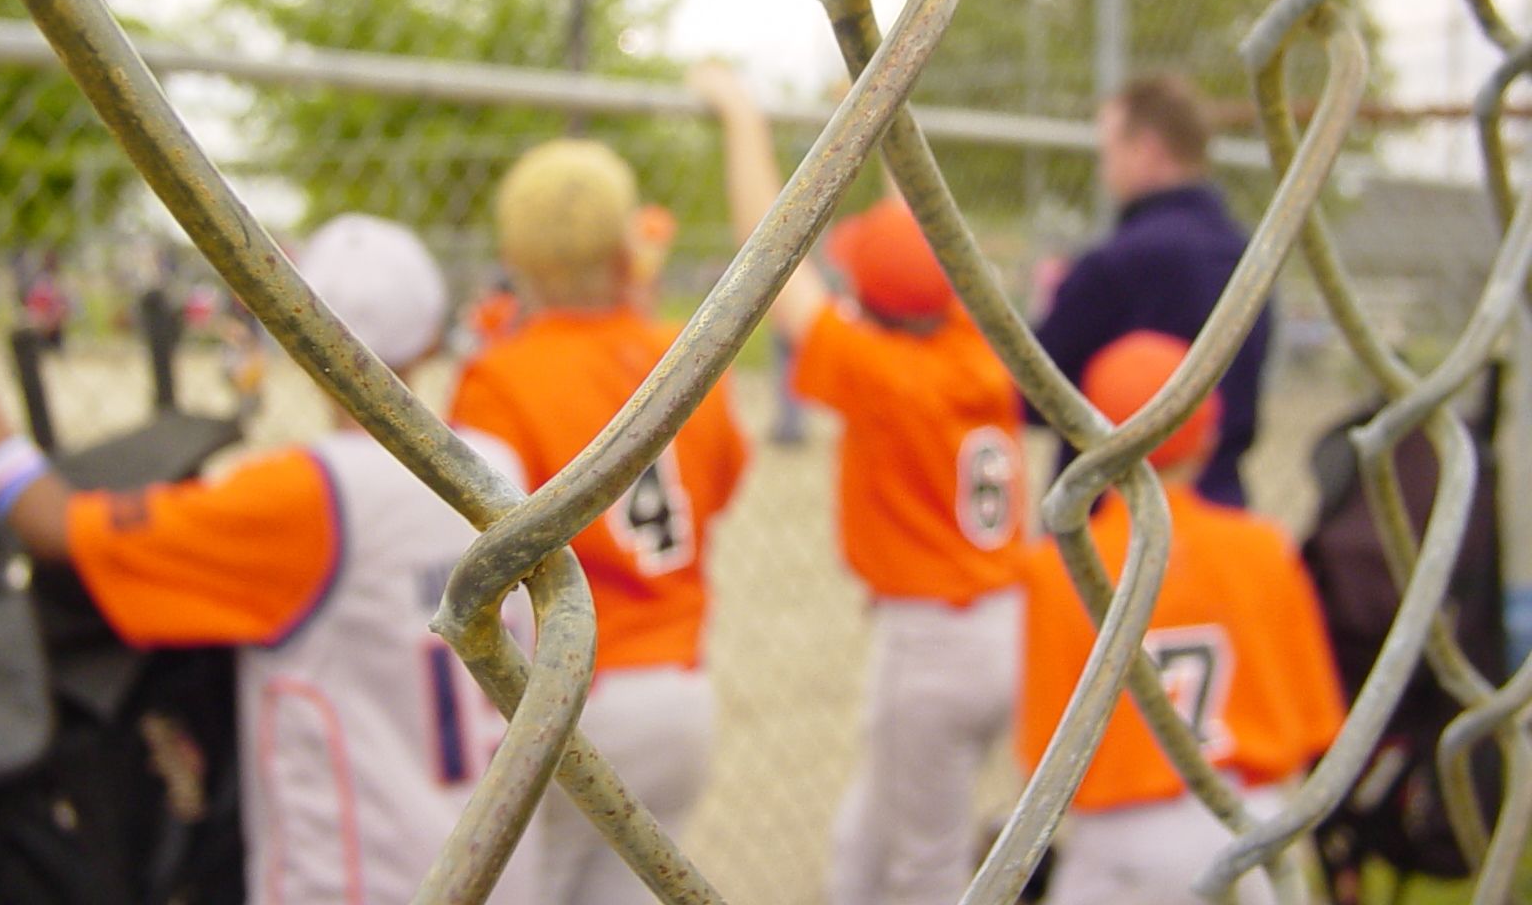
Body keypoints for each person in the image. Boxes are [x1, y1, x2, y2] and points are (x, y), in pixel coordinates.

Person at [0, 214, 536, 905]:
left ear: (297, 339)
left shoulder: (303, 495)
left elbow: (54, 527)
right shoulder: (495, 466)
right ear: (432, 334)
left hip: (350, 881)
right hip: (501, 867)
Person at [694, 61, 1030, 905]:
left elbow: (771, 252)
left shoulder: (882, 372)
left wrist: (742, 116)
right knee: (868, 833)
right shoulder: (981, 343)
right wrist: (888, 96)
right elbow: (920, 225)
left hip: (932, 644)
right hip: (1005, 620)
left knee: (925, 863)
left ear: (873, 304)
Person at [446, 138, 749, 905]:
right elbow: (722, 481)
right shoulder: (682, 355)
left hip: (567, 690)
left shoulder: (499, 378)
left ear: (515, 255)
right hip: (680, 691)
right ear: (627, 248)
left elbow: (478, 546)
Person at [1017, 331, 1343, 904]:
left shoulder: (1061, 566)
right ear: (1209, 434)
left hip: (1122, 838)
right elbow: (1316, 723)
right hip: (1248, 823)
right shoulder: (1265, 549)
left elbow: (1042, 746)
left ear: (1087, 439)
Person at [1032, 75, 1271, 506]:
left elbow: (1035, 391)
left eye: (1110, 153)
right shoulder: (1248, 257)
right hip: (1217, 500)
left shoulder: (1119, 262)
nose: (1105, 171)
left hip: (1118, 513)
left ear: (1147, 150)